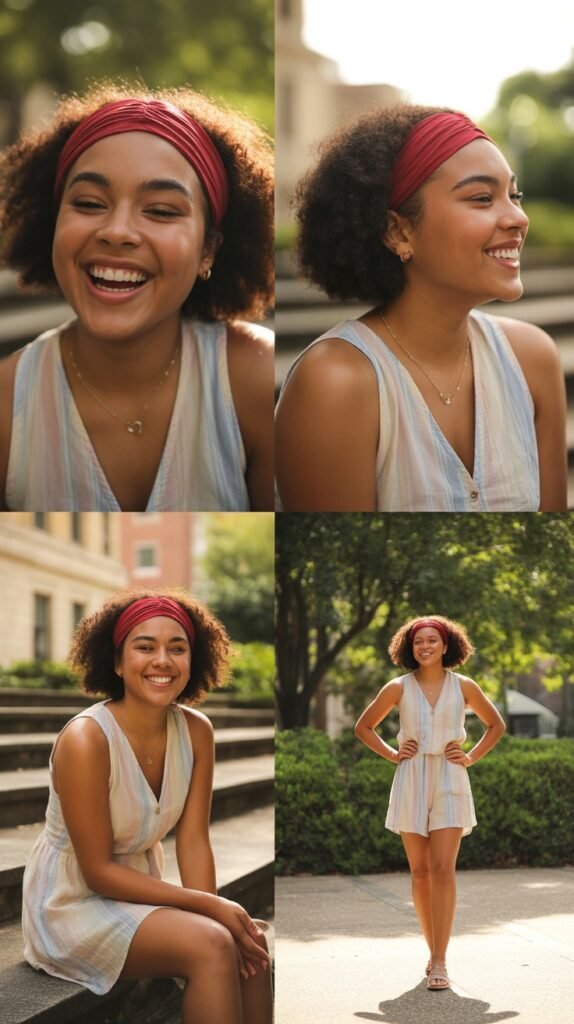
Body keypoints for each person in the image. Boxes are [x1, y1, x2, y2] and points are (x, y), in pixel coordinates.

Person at [275, 105, 567, 512]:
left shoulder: (532, 359)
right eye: (482, 198)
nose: (518, 217)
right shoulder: (335, 383)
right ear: (398, 230)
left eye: (514, 196)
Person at [0, 83, 274, 512]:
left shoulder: (253, 379)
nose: (117, 232)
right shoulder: (7, 402)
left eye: (161, 210)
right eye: (89, 203)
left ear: (208, 249)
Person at [21, 591, 273, 1024]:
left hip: (136, 887)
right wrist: (211, 909)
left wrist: (215, 909)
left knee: (248, 941)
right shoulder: (87, 739)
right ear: (117, 662)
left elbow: (193, 840)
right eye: (145, 647)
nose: (163, 660)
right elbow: (98, 870)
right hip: (70, 902)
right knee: (213, 943)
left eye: (177, 648)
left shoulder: (196, 731)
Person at [354, 616, 506, 992]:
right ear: (410, 647)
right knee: (420, 872)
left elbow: (496, 725)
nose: (425, 646)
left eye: (432, 640)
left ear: (446, 645)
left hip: (451, 779)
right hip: (411, 779)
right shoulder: (398, 688)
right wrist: (392, 753)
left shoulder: (464, 686)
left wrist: (470, 756)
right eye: (418, 641)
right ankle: (431, 948)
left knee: (443, 869)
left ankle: (440, 961)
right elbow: (363, 727)